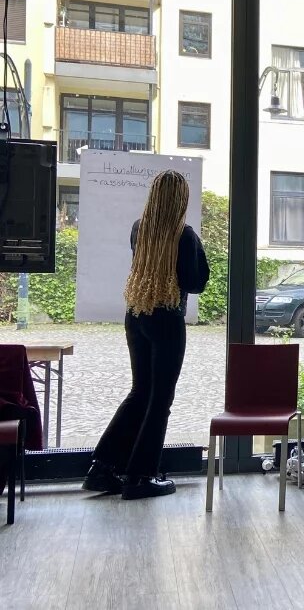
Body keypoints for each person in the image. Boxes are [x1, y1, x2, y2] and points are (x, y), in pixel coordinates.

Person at [83, 170, 209, 500]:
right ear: (181, 199)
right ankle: (141, 476)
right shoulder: (184, 235)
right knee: (160, 401)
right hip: (167, 318)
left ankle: (102, 467)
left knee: (140, 392)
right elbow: (196, 282)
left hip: (136, 314)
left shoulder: (140, 229)